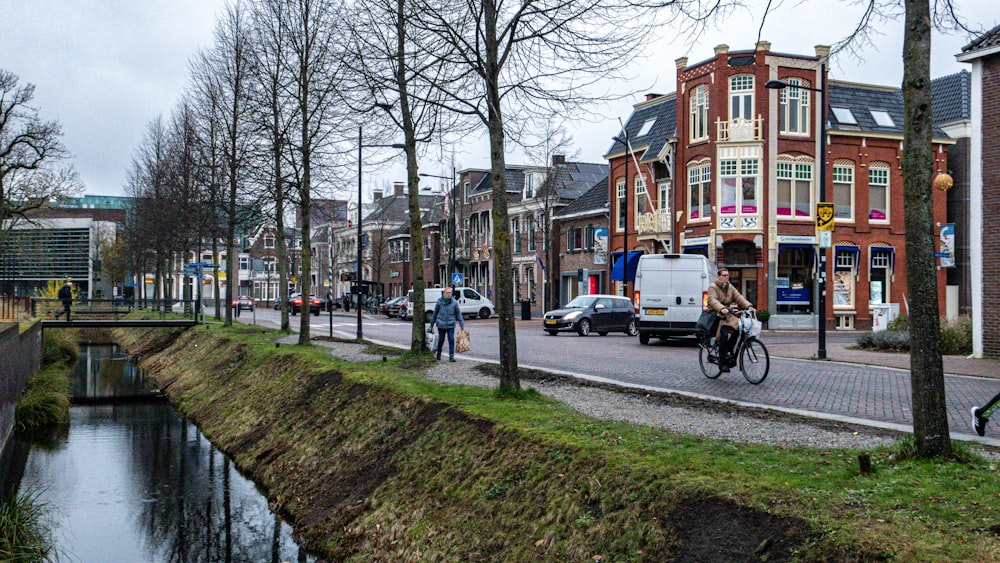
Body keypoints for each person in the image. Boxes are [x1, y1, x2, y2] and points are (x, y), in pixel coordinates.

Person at [706, 268, 753, 373]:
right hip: (716, 315)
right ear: (718, 277)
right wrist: (722, 308)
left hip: (727, 315)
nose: (727, 277)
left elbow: (738, 297)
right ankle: (722, 364)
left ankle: (729, 349)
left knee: (738, 328)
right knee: (723, 334)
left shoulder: (729, 287)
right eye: (724, 275)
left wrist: (748, 306)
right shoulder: (712, 287)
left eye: (728, 275)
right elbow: (712, 300)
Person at [429, 286, 465, 362]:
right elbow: (435, 314)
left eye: (450, 292)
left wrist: (462, 324)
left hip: (451, 324)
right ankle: (438, 354)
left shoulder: (454, 303)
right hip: (441, 324)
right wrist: (431, 325)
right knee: (441, 340)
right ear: (444, 293)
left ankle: (451, 356)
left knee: (451, 339)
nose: (449, 294)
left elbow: (458, 314)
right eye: (447, 292)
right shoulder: (439, 302)